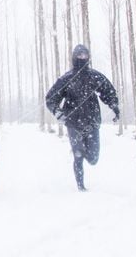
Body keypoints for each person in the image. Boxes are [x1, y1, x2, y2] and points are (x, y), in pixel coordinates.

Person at [45, 44, 119, 191]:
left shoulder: (95, 76)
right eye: (79, 55)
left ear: (88, 57)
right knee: (78, 156)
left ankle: (81, 151)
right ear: (74, 57)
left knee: (93, 159)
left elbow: (108, 92)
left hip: (92, 122)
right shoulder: (66, 78)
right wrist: (60, 115)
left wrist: (115, 106)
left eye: (85, 55)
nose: (82, 58)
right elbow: (50, 99)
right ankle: (81, 186)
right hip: (73, 123)